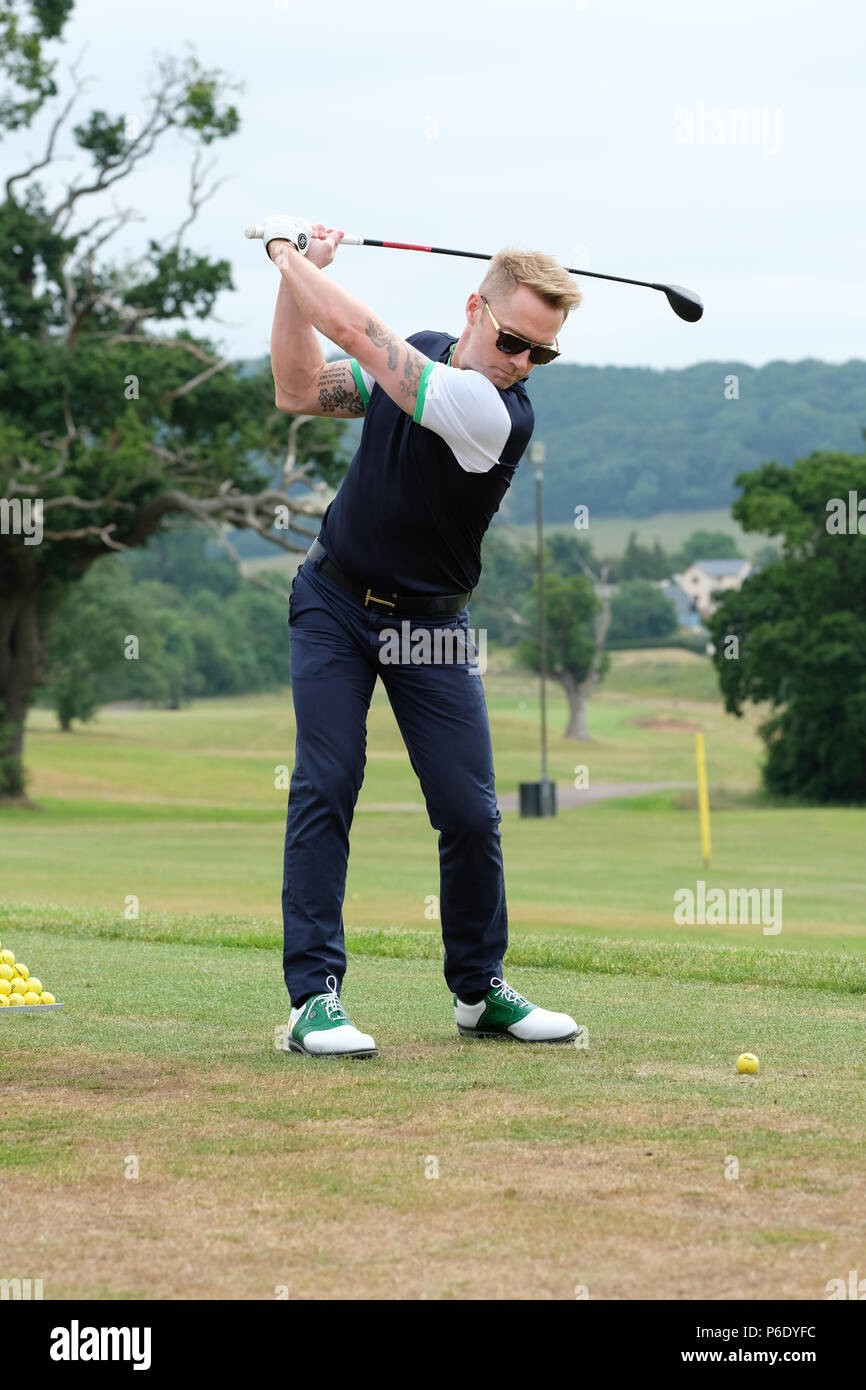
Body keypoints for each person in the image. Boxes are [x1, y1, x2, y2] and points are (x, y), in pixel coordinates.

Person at [267, 214, 584, 1058]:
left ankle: (480, 993)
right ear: (474, 309)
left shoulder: (494, 413)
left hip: (431, 624)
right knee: (326, 785)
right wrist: (288, 284)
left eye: (541, 355)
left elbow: (358, 332)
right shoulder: (432, 350)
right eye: (516, 340)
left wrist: (284, 252)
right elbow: (299, 387)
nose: (524, 365)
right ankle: (313, 1002)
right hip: (334, 602)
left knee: (470, 812)